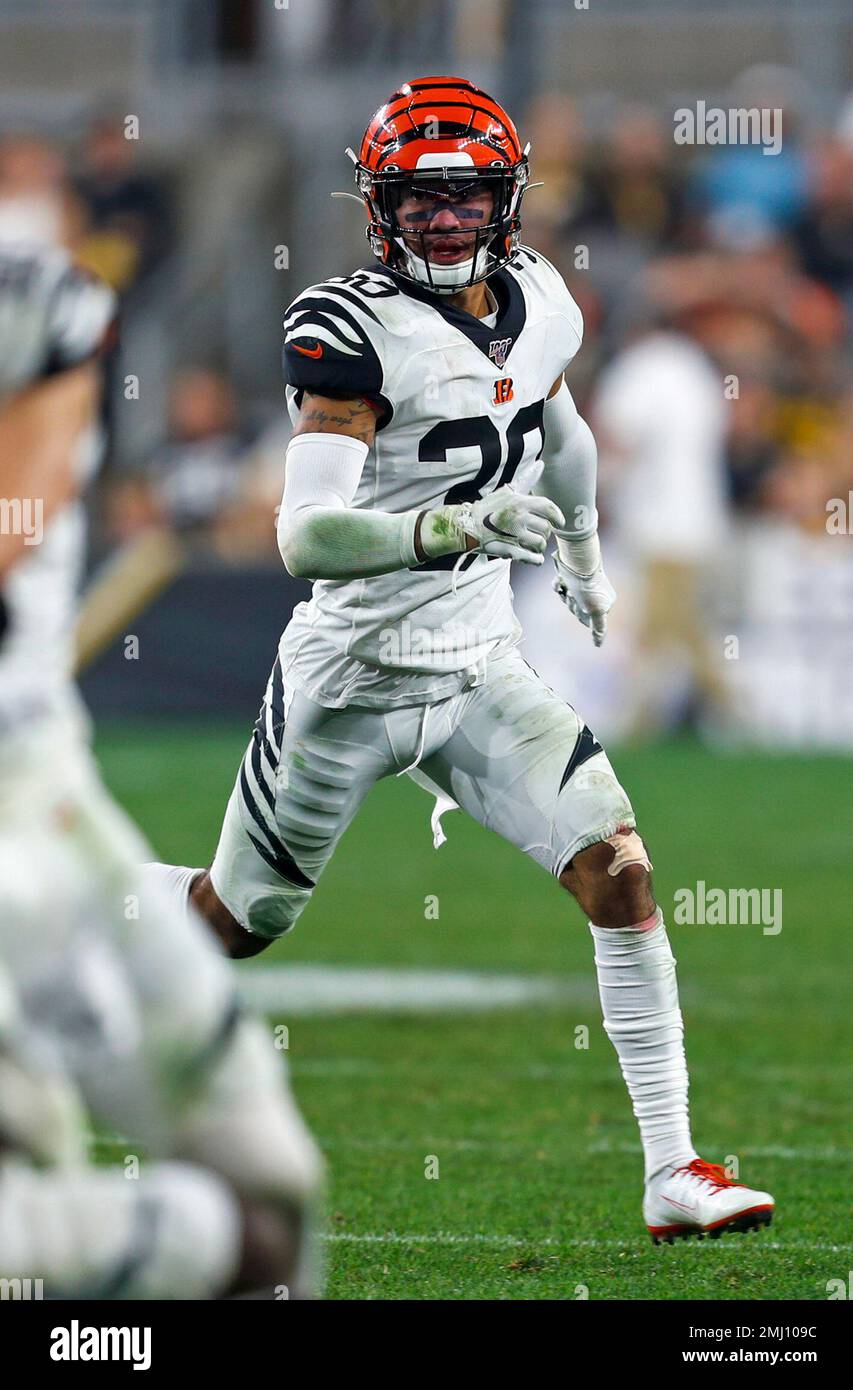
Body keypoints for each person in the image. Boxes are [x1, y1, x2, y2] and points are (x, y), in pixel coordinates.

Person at [146, 76, 774, 1243]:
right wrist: (448, 527)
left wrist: (584, 553)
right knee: (233, 922)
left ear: (508, 198)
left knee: (621, 875)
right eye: (420, 198)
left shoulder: (539, 298)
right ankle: (65, 913)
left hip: (480, 658)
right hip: (353, 678)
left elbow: (561, 429)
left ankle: (672, 1170)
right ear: (380, 206)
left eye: (466, 193)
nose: (443, 217)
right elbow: (303, 536)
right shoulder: (351, 330)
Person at [0, 238, 321, 1298]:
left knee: (266, 1196)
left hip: (42, 803)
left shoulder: (37, 301)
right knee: (219, 1225)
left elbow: (23, 501)